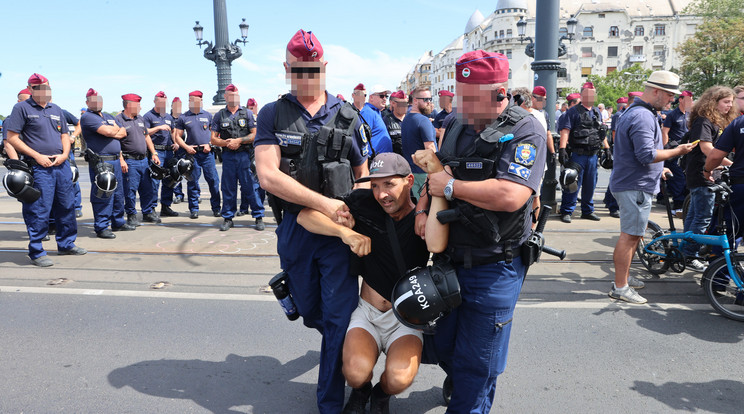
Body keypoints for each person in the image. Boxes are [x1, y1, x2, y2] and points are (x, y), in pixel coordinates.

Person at [415, 50, 546, 413]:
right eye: (460, 96)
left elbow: (511, 195)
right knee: (441, 345)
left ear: (499, 93)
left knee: (478, 364)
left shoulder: (525, 128)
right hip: (450, 260)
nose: (463, 107)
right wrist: (424, 207)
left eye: (472, 100)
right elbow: (439, 173)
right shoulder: (457, 123)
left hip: (495, 264)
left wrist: (452, 189)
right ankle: (459, 382)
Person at [254, 29, 369, 413]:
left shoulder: (348, 114)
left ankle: (331, 402)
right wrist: (322, 203)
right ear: (287, 69)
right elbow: (269, 176)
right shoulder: (272, 112)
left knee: (338, 317)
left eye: (313, 70)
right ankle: (343, 344)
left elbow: (362, 171)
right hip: (295, 228)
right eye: (299, 71)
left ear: (324, 68)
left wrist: (361, 220)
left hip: (338, 232)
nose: (306, 78)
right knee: (310, 310)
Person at [297, 152, 429, 414]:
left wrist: (426, 212)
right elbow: (305, 215)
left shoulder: (423, 218)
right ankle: (362, 389)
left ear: (408, 180)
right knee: (355, 373)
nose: (381, 194)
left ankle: (381, 393)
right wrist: (345, 232)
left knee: (399, 378)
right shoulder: (363, 203)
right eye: (375, 185)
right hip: (367, 313)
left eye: (389, 184)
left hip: (405, 316)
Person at [609, 71, 696, 303]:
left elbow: (640, 154)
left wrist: (661, 169)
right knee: (630, 236)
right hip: (634, 186)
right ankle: (620, 286)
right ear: (656, 91)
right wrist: (678, 151)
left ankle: (624, 278)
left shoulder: (637, 112)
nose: (672, 100)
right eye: (669, 94)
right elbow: (646, 154)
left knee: (633, 235)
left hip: (632, 183)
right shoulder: (643, 116)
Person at [4, 73, 87, 266]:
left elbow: (65, 136)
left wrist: (65, 155)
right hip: (39, 167)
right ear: (31, 89)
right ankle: (37, 250)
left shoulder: (56, 108)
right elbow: (13, 138)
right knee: (39, 209)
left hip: (61, 164)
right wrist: (36, 156)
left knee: (67, 206)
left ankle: (66, 243)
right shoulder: (21, 108)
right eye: (39, 87)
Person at [682, 86, 738, 271]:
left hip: (709, 172)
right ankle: (690, 254)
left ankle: (684, 251)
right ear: (713, 102)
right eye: (726, 102)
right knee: (703, 217)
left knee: (694, 216)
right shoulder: (704, 121)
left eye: (731, 102)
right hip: (702, 172)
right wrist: (732, 164)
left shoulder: (716, 122)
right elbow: (707, 148)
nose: (730, 106)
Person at [80, 88, 133, 239]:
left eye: (99, 100)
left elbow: (123, 133)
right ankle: (102, 226)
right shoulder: (88, 117)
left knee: (118, 193)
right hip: (101, 162)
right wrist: (114, 130)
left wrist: (115, 131)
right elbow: (110, 132)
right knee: (103, 193)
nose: (97, 103)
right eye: (93, 100)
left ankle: (118, 222)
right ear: (87, 102)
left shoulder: (109, 116)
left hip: (116, 159)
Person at [210, 84, 264, 231]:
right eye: (230, 95)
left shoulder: (247, 114)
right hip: (228, 156)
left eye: (235, 95)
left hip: (244, 155)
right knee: (228, 188)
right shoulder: (219, 115)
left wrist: (239, 140)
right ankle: (228, 218)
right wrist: (227, 143)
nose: (233, 98)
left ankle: (258, 216)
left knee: (251, 187)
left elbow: (254, 134)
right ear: (225, 97)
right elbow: (213, 139)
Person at [557, 82, 610, 223]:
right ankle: (567, 211)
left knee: (590, 184)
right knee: (572, 182)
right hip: (578, 154)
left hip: (593, 155)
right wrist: (562, 149)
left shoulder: (597, 112)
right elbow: (565, 131)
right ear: (582, 95)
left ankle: (587, 211)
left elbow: (601, 132)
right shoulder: (573, 112)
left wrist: (607, 148)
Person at [174, 90, 221, 219]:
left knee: (213, 181)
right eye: (190, 100)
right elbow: (177, 137)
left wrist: (210, 145)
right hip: (192, 154)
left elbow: (216, 134)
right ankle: (194, 209)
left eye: (195, 100)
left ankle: (216, 208)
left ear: (200, 101)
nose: (193, 102)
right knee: (192, 182)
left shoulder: (208, 116)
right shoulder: (183, 117)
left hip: (207, 154)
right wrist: (186, 147)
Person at [115, 94, 161, 226]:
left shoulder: (140, 119)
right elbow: (115, 141)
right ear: (130, 105)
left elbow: (146, 137)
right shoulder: (119, 120)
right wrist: (121, 159)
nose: (140, 107)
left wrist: (154, 153)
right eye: (138, 104)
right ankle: (131, 214)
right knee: (130, 190)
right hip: (130, 161)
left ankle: (147, 212)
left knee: (147, 188)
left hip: (143, 160)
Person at [143, 91, 179, 218]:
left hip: (169, 151)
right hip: (157, 152)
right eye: (160, 102)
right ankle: (151, 208)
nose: (163, 104)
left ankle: (165, 206)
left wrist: (175, 142)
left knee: (170, 180)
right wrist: (158, 128)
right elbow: (144, 132)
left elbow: (174, 130)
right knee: (154, 181)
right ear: (155, 101)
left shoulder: (168, 117)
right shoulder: (148, 116)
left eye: (165, 102)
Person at [661, 90, 694, 216]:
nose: (690, 101)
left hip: (688, 149)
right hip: (675, 149)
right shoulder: (672, 115)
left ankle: (684, 205)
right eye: (687, 99)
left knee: (686, 178)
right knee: (678, 179)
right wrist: (666, 149)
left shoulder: (690, 114)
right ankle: (678, 205)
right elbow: (665, 132)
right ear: (680, 100)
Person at [401, 86, 436, 198]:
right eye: (425, 99)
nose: (429, 102)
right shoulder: (423, 120)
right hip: (424, 173)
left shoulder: (406, 118)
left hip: (412, 171)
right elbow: (430, 149)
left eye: (430, 99)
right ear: (415, 100)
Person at [360, 87, 393, 154]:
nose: (384, 99)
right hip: (374, 160)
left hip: (381, 160)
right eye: (381, 96)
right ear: (371, 97)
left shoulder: (375, 111)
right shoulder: (367, 112)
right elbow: (362, 140)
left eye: (386, 96)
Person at [169, 97, 186, 204]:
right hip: (172, 150)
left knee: (189, 172)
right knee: (175, 173)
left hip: (184, 149)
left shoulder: (184, 118)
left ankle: (196, 195)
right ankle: (178, 194)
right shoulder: (167, 118)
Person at [383, 90, 407, 156]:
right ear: (393, 103)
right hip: (394, 159)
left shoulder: (411, 119)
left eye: (406, 103)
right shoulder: (386, 120)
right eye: (401, 104)